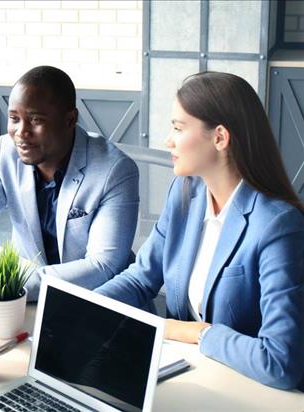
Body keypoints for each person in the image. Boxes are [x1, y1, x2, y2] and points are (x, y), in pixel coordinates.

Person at [96, 71, 304, 391]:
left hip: (245, 390)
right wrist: (83, 310)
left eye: (179, 128)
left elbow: (280, 361)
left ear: (220, 137)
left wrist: (196, 333)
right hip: (187, 374)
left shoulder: (278, 226)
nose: (168, 140)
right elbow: (140, 278)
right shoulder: (186, 193)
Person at [0, 65, 139, 302]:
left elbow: (103, 265)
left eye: (36, 120)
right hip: (31, 302)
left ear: (70, 120)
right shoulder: (6, 153)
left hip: (98, 300)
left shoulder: (115, 170)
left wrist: (1, 287)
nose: (21, 132)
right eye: (14, 119)